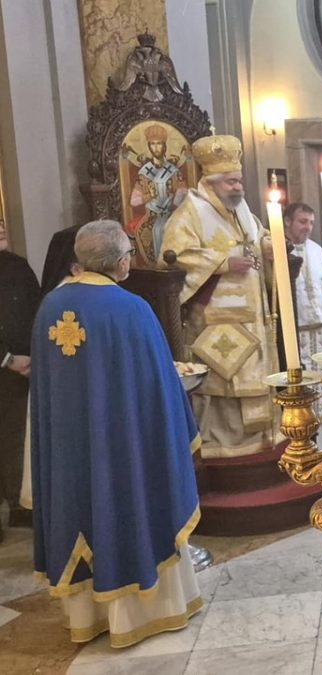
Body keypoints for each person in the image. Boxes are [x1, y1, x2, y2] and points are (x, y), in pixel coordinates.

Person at [31, 220, 202, 647]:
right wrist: (179, 426)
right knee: (128, 505)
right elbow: (160, 385)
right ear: (121, 261)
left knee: (81, 501)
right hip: (122, 444)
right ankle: (142, 613)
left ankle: (87, 616)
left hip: (71, 447)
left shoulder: (50, 307)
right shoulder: (131, 309)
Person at [160, 134, 277, 458]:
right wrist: (223, 263)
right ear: (210, 183)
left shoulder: (241, 210)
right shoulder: (189, 213)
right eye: (230, 182)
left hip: (252, 314)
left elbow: (258, 235)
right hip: (215, 319)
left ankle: (262, 439)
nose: (238, 187)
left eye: (239, 180)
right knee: (223, 382)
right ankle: (223, 447)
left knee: (256, 377)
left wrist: (268, 246)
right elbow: (174, 256)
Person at [0, 219, 39, 538]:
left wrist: (34, 356)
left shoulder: (18, 266)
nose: (1, 228)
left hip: (23, 369)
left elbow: (37, 310)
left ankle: (17, 504)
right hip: (6, 364)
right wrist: (8, 359)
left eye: (1, 222)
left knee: (17, 437)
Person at [284, 202, 322, 418]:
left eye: (311, 223)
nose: (307, 227)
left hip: (321, 331)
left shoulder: (317, 251)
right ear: (288, 221)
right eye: (303, 221)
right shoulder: (276, 250)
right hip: (294, 333)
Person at [123, 123, 189, 263]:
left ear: (165, 146)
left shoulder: (173, 171)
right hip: (151, 216)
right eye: (152, 144)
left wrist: (174, 203)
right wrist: (149, 196)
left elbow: (184, 192)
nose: (156, 148)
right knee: (154, 230)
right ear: (148, 146)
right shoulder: (144, 172)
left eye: (159, 144)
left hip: (171, 215)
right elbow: (133, 201)